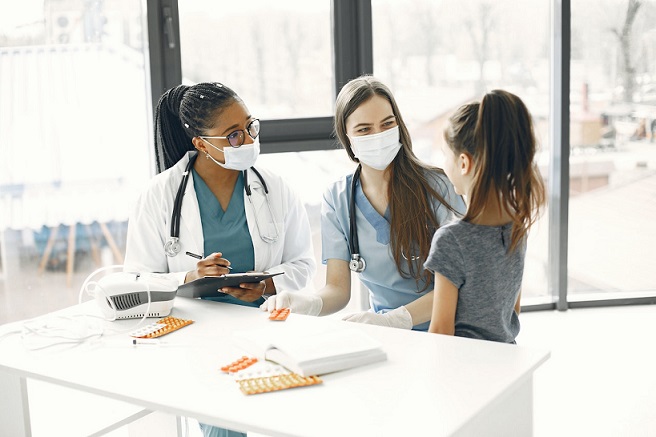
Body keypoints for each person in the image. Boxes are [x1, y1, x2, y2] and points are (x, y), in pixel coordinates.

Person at [123, 82, 316, 437]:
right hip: (198, 340)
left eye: (249, 127)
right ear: (200, 143)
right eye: (233, 136)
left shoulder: (276, 188)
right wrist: (186, 276)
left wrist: (266, 284)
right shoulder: (159, 197)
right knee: (224, 428)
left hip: (266, 330)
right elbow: (134, 280)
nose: (247, 140)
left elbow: (303, 264)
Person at [261, 75, 464, 331]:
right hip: (387, 333)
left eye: (387, 124)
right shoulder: (338, 199)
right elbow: (337, 290)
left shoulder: (439, 188)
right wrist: (302, 303)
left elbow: (461, 282)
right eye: (364, 129)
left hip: (448, 331)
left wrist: (396, 319)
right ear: (348, 138)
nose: (378, 136)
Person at [425, 90, 546, 343]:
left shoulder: (451, 240)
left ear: (463, 163)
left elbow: (440, 333)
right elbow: (513, 311)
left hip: (465, 372)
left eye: (446, 155)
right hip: (507, 360)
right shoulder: (517, 226)